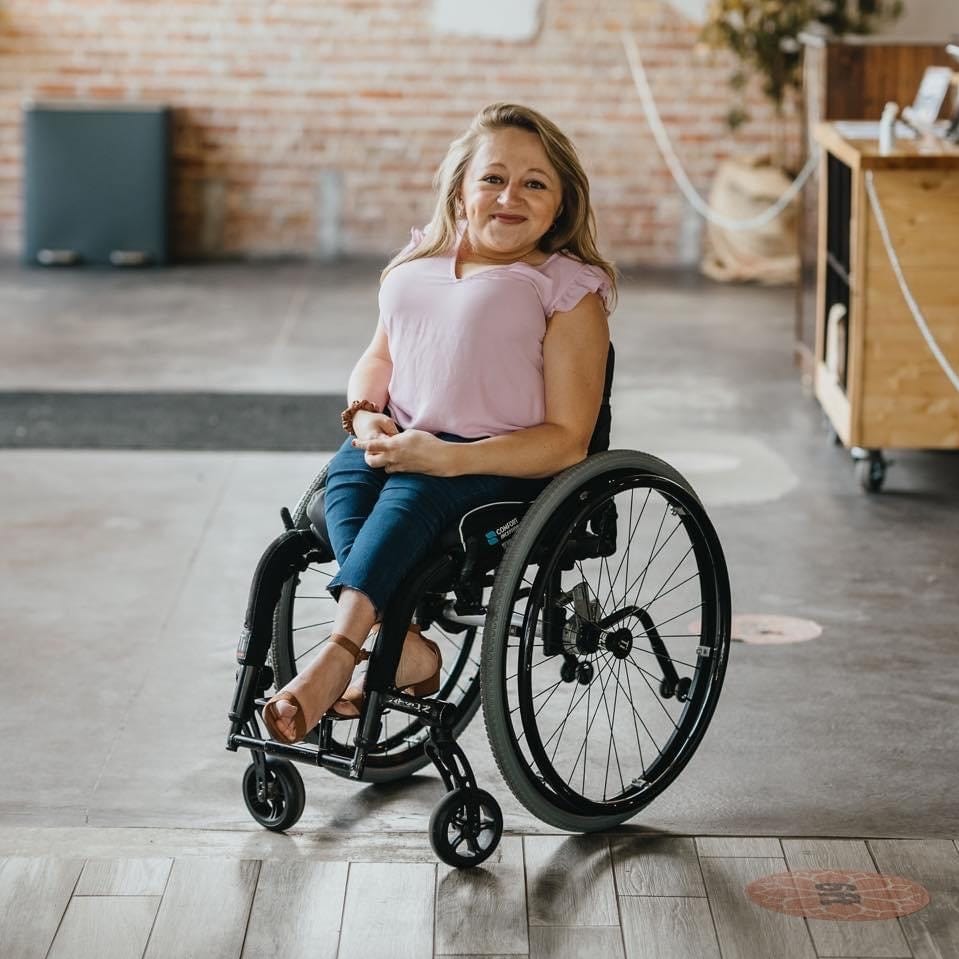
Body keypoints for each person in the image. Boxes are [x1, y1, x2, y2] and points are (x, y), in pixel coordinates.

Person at [262, 102, 617, 744]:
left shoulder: (566, 288)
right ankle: (408, 651)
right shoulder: (417, 261)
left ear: (561, 205)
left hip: (495, 465)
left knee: (406, 501)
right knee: (344, 488)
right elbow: (380, 355)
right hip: (400, 439)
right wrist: (366, 418)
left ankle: (338, 655)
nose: (510, 196)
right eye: (493, 178)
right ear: (461, 188)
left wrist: (449, 458)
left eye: (534, 183)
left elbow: (569, 440)